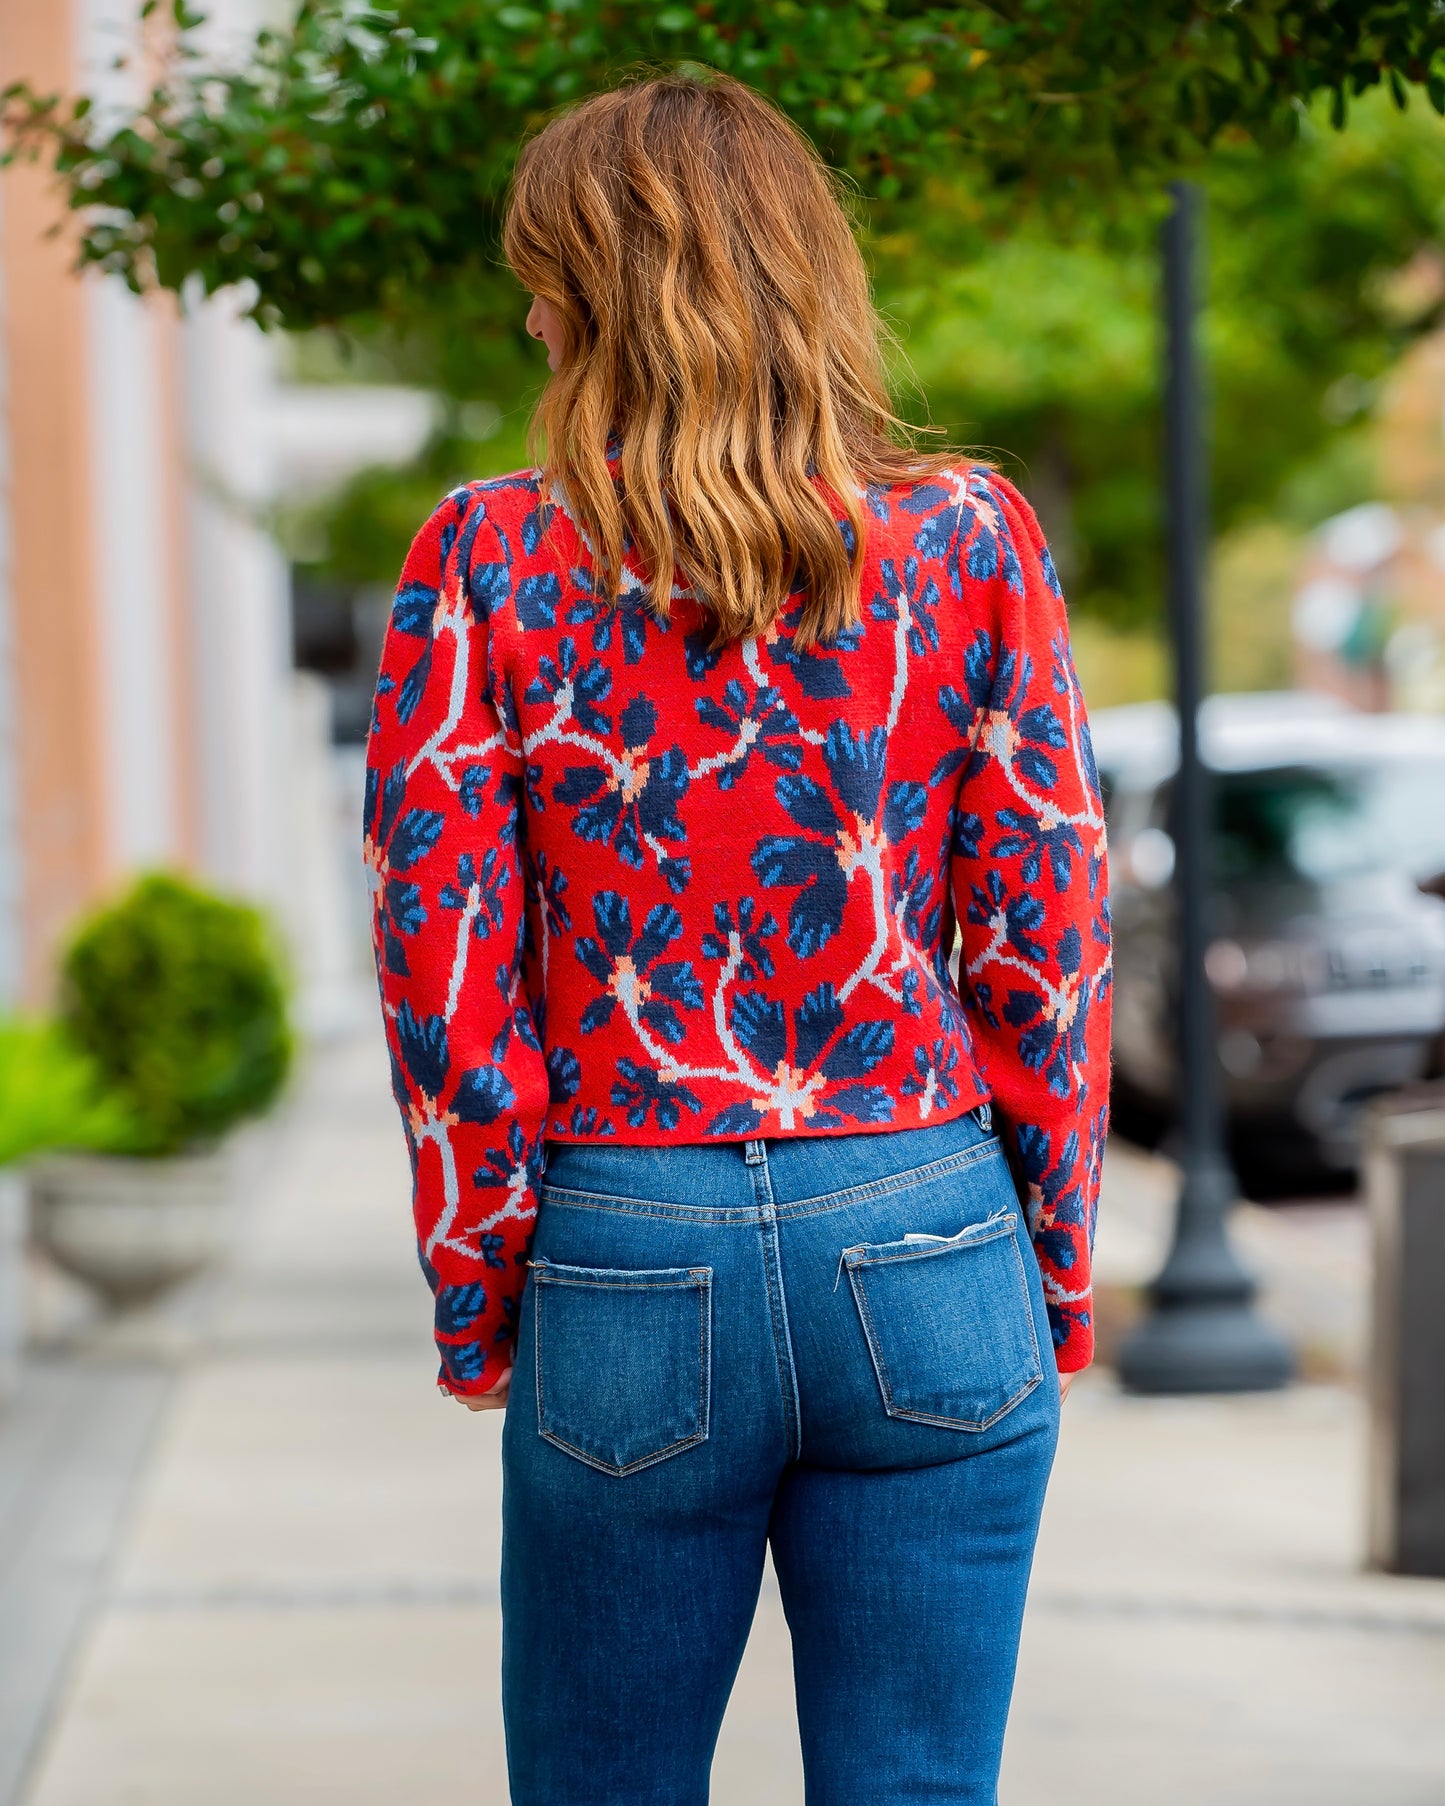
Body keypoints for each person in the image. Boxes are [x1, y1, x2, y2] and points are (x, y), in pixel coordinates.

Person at [365, 69, 1110, 1806]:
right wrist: (1048, 1262)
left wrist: (480, 1295)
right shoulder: (967, 538)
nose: (529, 307)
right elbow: (1046, 932)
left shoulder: (484, 557)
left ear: (607, 294)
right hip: (929, 1235)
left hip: (628, 1246)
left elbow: (444, 966)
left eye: (543, 272)